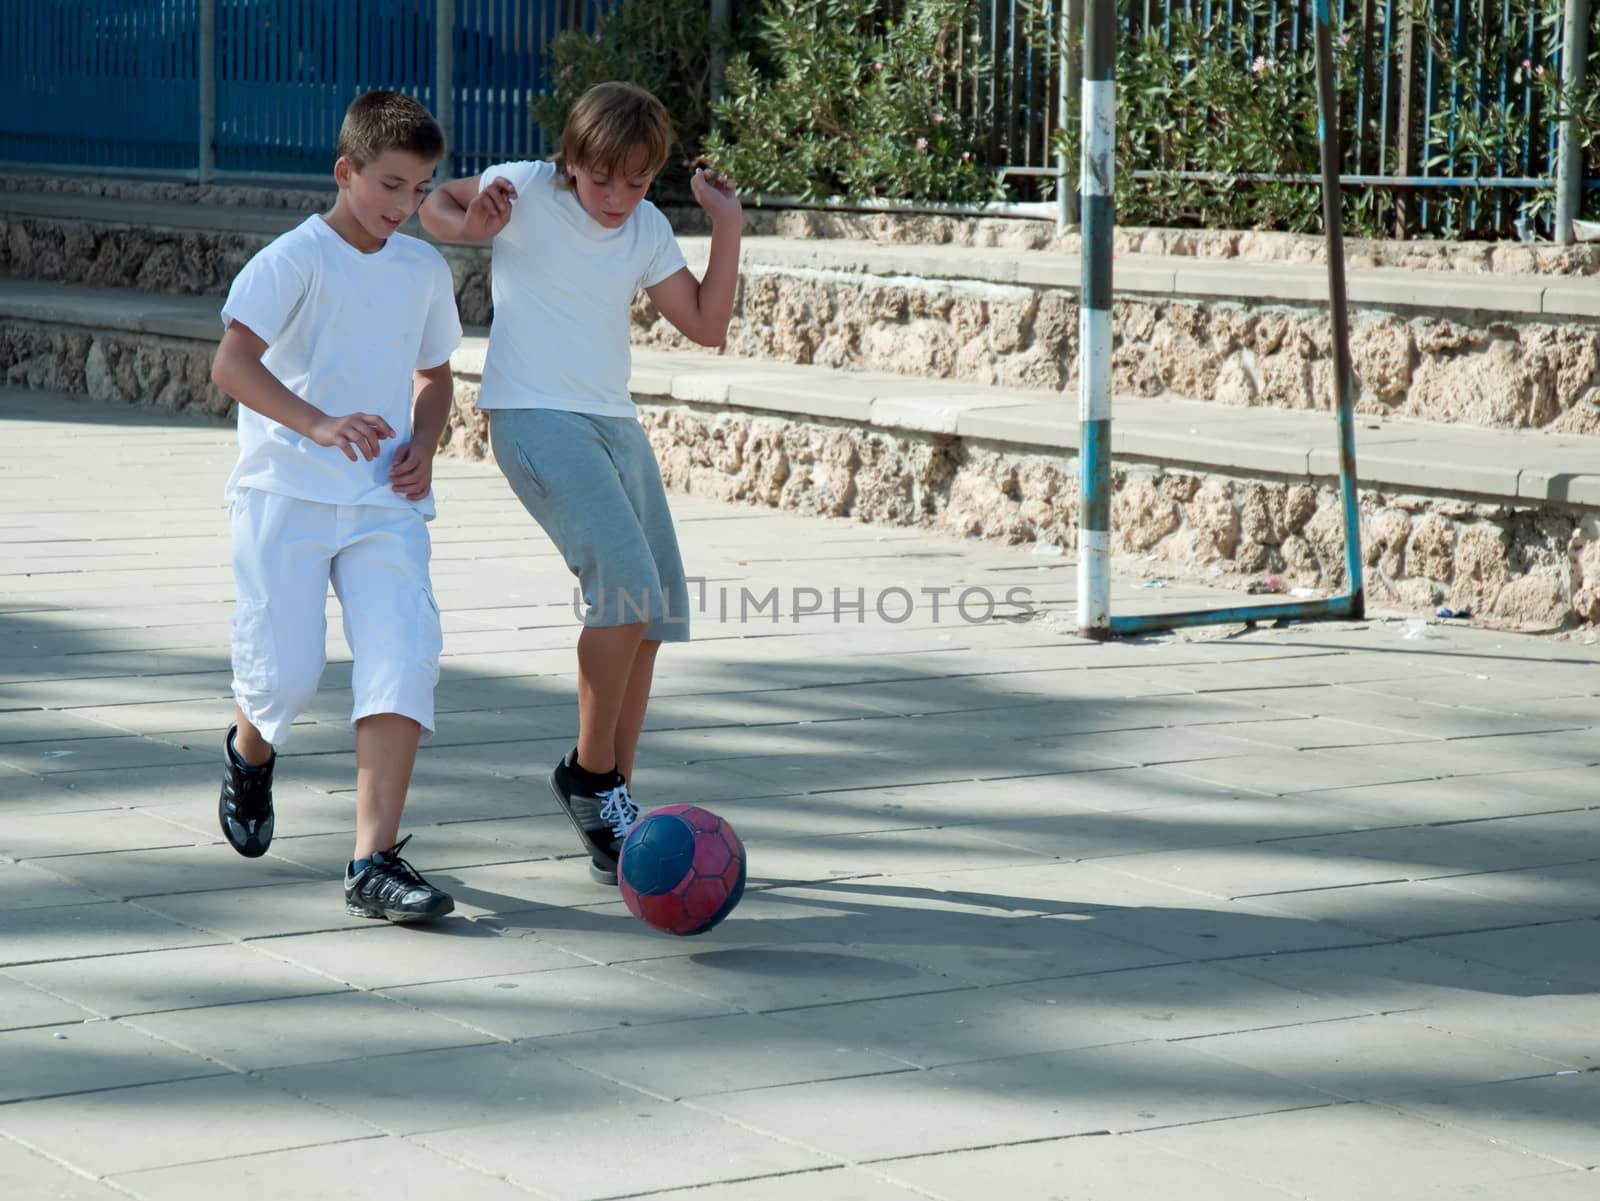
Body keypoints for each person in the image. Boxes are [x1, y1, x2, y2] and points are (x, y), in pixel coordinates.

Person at [419, 81, 742, 885]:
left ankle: (616, 802)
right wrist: (469, 225)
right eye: (603, 180)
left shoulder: (647, 227)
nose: (617, 197)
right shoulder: (526, 185)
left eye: (636, 183)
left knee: (658, 605)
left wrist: (727, 226)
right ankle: (591, 779)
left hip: (613, 424)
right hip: (535, 416)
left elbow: (706, 324)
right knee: (626, 586)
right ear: (572, 161)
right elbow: (431, 202)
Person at [210, 90, 463, 923]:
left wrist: (425, 442)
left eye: (422, 189)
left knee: (403, 655)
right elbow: (233, 366)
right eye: (391, 185)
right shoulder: (294, 260)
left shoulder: (423, 268)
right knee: (285, 674)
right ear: (345, 170)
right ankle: (252, 750)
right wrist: (318, 423)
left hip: (382, 498)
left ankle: (373, 861)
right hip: (284, 490)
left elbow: (435, 376)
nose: (406, 206)